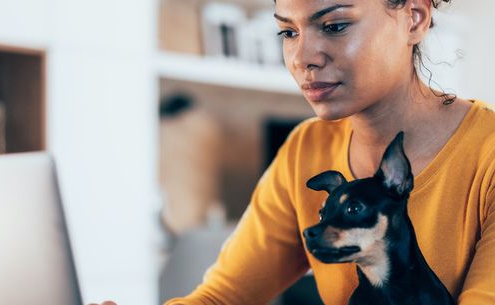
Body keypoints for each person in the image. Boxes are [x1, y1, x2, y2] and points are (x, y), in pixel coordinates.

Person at [94, 0, 495, 304]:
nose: (303, 58)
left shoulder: (487, 153)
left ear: (415, 19)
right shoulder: (307, 148)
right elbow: (224, 297)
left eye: (335, 26)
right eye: (288, 33)